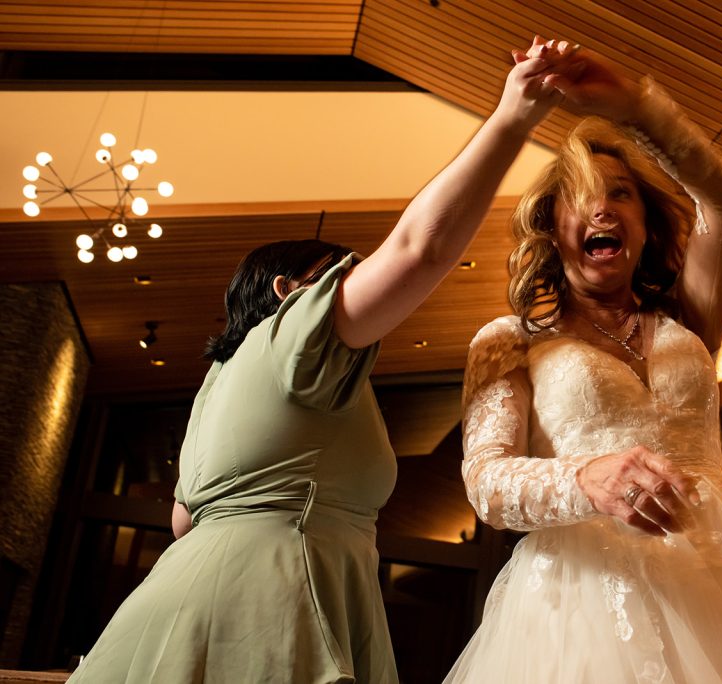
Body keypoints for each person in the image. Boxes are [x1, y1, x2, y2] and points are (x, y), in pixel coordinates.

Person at [68, 42, 571, 683]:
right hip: (270, 602)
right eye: (345, 277)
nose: (363, 289)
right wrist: (512, 117)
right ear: (288, 293)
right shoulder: (290, 337)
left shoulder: (216, 384)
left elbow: (181, 520)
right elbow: (419, 250)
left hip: (178, 605)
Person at [445, 38, 722, 683]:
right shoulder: (507, 339)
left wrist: (638, 108)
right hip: (581, 597)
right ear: (553, 226)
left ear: (644, 225)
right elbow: (486, 485)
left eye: (620, 194)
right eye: (581, 197)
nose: (603, 207)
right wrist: (585, 480)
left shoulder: (689, 319)